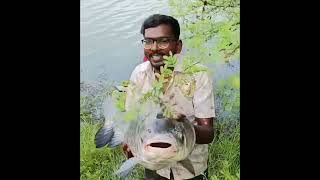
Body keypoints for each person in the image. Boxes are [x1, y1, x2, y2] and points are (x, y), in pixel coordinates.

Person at [124, 14, 216, 180]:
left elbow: (208, 134)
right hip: (154, 165)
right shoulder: (139, 74)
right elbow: (132, 120)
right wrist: (130, 142)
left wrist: (183, 125)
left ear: (178, 46)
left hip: (192, 170)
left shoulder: (198, 75)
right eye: (148, 41)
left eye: (163, 41)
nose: (154, 48)